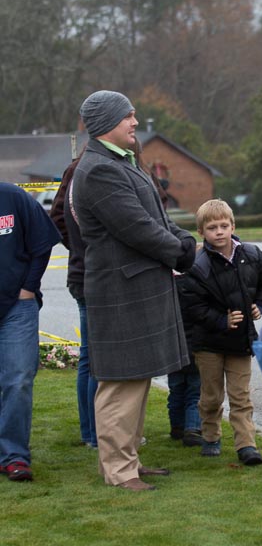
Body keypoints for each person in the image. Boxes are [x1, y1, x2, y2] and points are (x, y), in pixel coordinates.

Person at [71, 90, 196, 492]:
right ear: (108, 121)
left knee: (137, 379)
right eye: (129, 117)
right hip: (121, 292)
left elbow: (156, 216)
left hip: (138, 287)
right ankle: (119, 471)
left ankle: (131, 461)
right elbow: (136, 228)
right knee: (120, 384)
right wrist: (181, 252)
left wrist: (183, 239)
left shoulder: (121, 162)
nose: (135, 123)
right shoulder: (98, 170)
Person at [179, 199, 262, 465]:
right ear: (202, 232)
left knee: (241, 395)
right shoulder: (197, 265)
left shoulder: (253, 256)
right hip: (208, 343)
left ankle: (246, 445)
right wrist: (222, 320)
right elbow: (192, 306)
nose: (219, 232)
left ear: (233, 226)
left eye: (224, 226)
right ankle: (210, 436)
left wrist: (261, 306)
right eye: (212, 227)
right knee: (210, 396)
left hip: (240, 341)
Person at [0, 182, 61, 481]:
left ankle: (13, 456)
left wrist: (28, 288)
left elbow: (43, 241)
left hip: (16, 307)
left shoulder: (13, 197)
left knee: (19, 380)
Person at [50, 155, 98, 449]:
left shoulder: (76, 168)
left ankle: (90, 431)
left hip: (81, 273)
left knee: (88, 357)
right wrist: (86, 248)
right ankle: (95, 433)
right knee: (95, 359)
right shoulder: (82, 169)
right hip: (89, 276)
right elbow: (57, 219)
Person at [167, 271, 203, 447]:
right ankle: (193, 427)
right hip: (195, 348)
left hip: (172, 350)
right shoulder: (197, 288)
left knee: (176, 390)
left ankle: (177, 426)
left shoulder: (167, 289)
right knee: (195, 392)